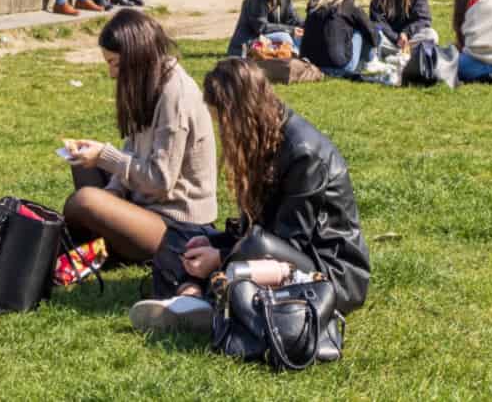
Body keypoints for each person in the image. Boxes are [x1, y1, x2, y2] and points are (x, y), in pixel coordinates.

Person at [132, 58, 370, 336]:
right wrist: (212, 244)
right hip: (274, 250)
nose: (221, 130)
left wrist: (220, 257)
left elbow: (289, 241)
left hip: (329, 273)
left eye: (222, 119)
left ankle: (199, 297)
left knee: (252, 245)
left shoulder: (304, 153)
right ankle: (193, 299)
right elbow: (257, 230)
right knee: (177, 238)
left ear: (239, 114)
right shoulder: (263, 137)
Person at [60, 10, 218, 266]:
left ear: (136, 58)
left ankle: (98, 246)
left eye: (115, 63)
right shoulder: (146, 81)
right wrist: (113, 192)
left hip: (178, 226)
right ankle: (104, 243)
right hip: (144, 203)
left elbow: (159, 181)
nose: (112, 74)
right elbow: (133, 150)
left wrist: (104, 157)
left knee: (84, 201)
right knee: (82, 164)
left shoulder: (174, 96)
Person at [300, 0, 380, 79]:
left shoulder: (315, 0)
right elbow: (372, 34)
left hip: (310, 63)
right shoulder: (349, 4)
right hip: (340, 66)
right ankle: (371, 61)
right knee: (361, 30)